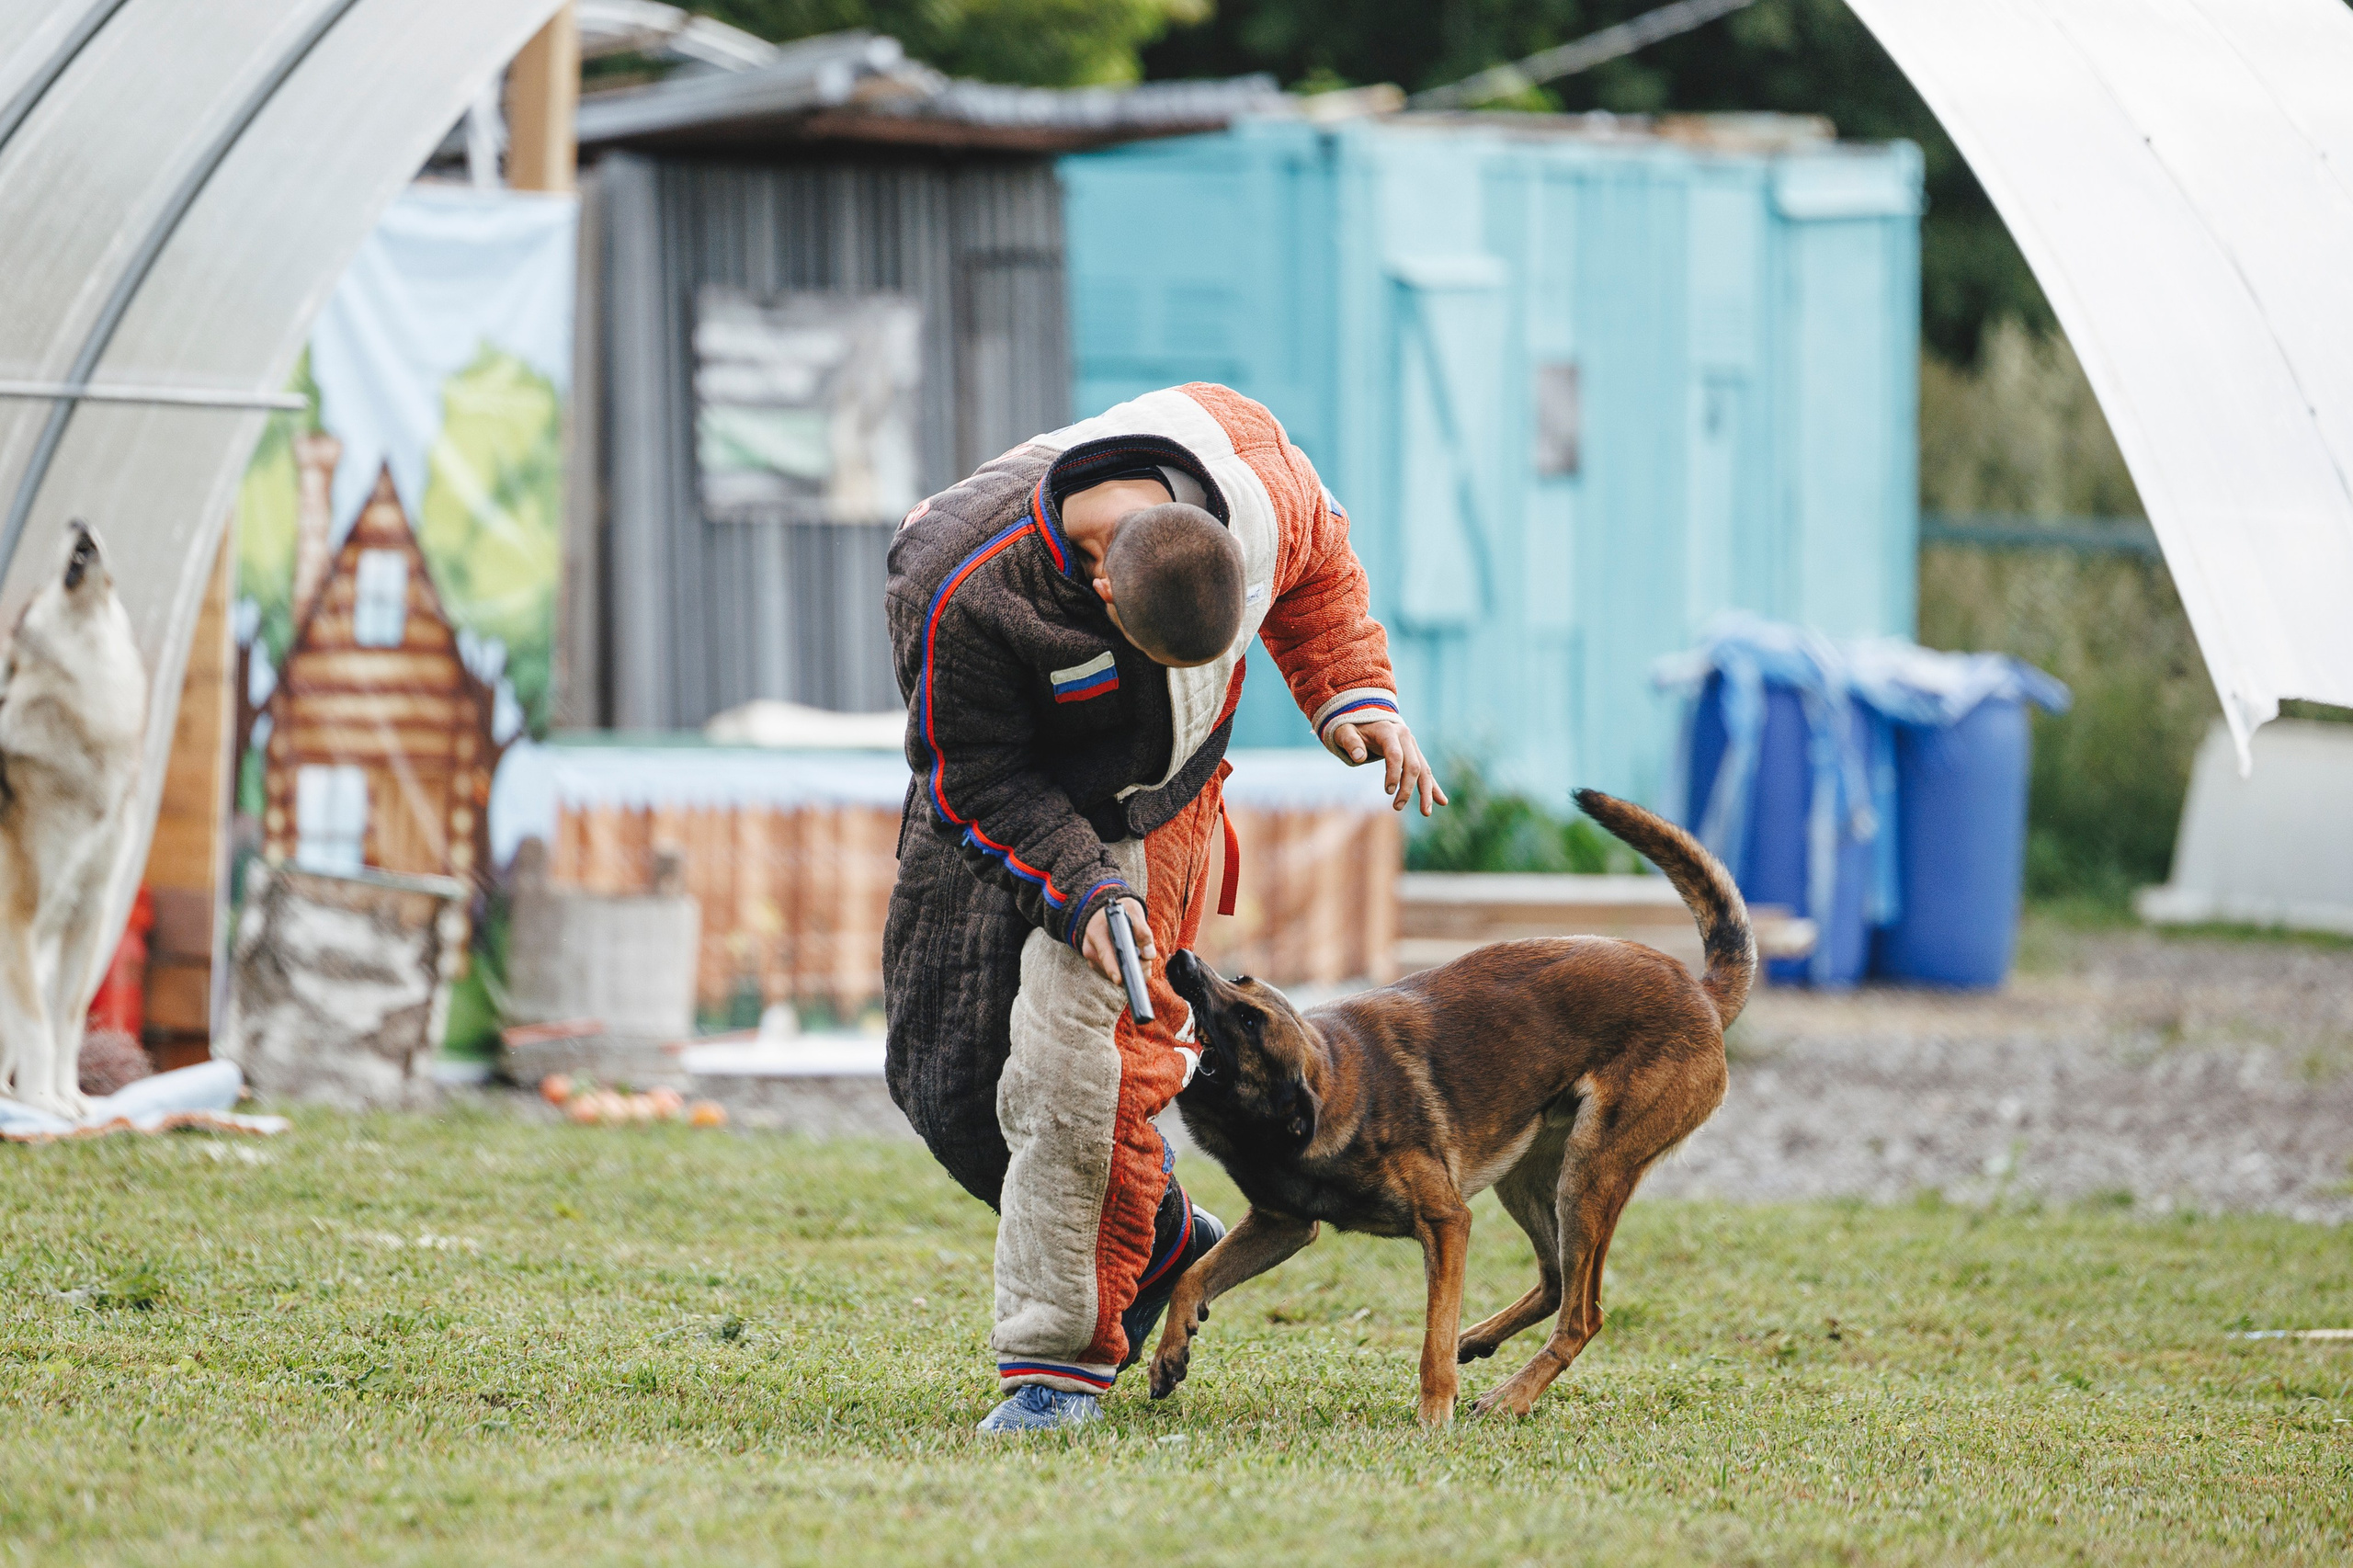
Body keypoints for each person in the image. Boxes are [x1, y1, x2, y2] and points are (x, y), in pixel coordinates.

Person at [883, 383, 1445, 1433]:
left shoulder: (1260, 485)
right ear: (1099, 581)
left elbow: (1321, 564)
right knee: (949, 1081)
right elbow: (978, 775)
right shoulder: (956, 580)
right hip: (996, 788)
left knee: (1080, 1074)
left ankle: (1058, 1365)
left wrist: (1350, 689)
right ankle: (1159, 1238)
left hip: (1154, 804)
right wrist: (1078, 884)